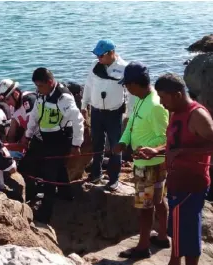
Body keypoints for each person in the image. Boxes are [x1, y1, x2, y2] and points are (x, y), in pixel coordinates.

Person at [135, 73, 213, 265]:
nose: (161, 103)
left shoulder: (197, 115)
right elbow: (174, 144)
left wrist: (182, 152)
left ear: (177, 95)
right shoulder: (175, 112)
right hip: (176, 183)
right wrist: (156, 151)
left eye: (162, 97)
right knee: (176, 229)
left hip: (191, 184)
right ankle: (174, 261)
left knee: (188, 231)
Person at [113, 62, 170, 259]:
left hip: (149, 165)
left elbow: (165, 138)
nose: (126, 88)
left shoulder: (155, 105)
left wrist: (148, 150)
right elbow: (131, 125)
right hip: (145, 163)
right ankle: (162, 237)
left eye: (127, 84)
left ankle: (143, 247)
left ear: (136, 83)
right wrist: (123, 141)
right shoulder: (141, 99)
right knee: (158, 200)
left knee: (145, 207)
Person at [22, 67, 84, 224]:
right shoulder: (42, 95)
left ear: (50, 82)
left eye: (40, 86)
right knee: (56, 167)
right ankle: (66, 194)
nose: (37, 89)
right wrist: (27, 135)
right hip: (45, 138)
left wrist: (76, 144)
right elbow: (35, 115)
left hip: (60, 139)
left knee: (49, 176)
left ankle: (44, 215)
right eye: (36, 86)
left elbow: (78, 120)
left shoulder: (63, 98)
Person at [81, 39, 134, 191]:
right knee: (97, 144)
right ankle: (96, 174)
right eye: (97, 55)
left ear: (111, 53)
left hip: (114, 113)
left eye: (101, 55)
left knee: (116, 146)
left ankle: (114, 178)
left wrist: (130, 114)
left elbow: (130, 93)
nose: (98, 58)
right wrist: (84, 105)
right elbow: (89, 85)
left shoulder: (124, 68)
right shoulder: (95, 66)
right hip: (96, 111)